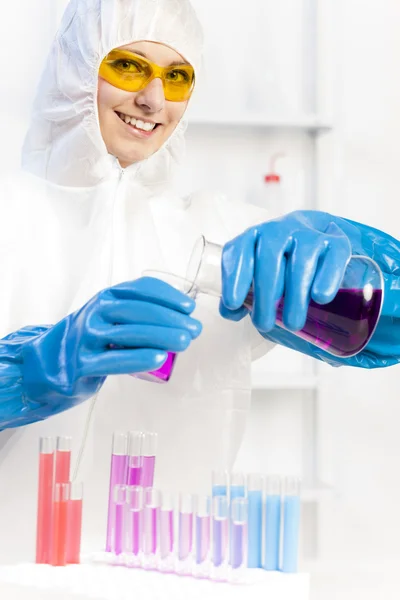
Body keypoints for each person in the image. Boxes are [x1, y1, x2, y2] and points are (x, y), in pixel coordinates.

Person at [0, 0, 399, 561]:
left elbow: (389, 332)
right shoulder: (8, 218)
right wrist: (32, 369)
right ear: (78, 63)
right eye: (130, 66)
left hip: (163, 579)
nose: (153, 100)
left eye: (177, 76)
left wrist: (359, 257)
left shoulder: (225, 235)